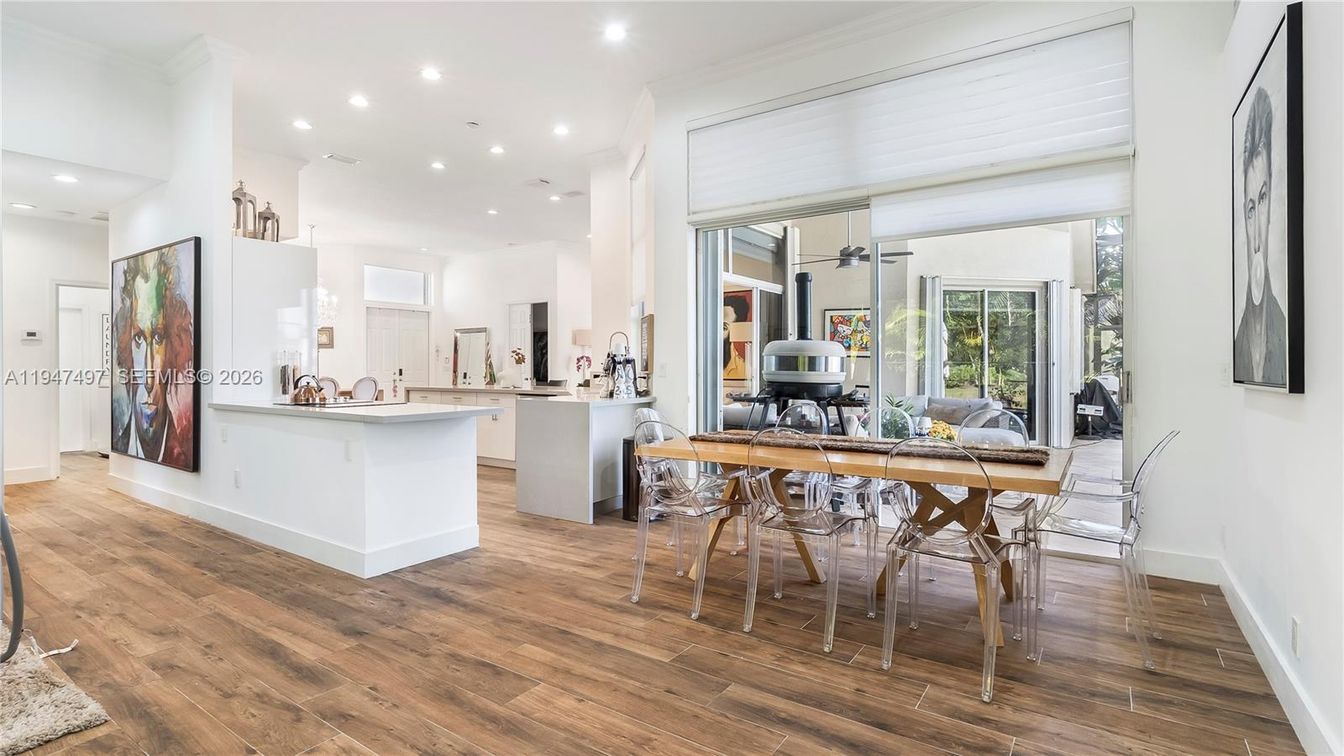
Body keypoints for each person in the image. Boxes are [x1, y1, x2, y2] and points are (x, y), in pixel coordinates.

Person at [113, 244, 195, 468]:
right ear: (125, 347)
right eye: (138, 339)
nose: (149, 383)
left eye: (159, 338)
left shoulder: (183, 454)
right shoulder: (119, 444)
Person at [1233, 87, 1287, 386]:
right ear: (1244, 213)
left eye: (1263, 198)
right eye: (1251, 208)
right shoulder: (1239, 338)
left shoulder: (1284, 333)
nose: (1255, 240)